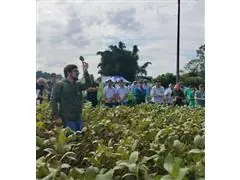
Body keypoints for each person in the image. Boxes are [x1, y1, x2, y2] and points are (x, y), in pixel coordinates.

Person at [51, 62, 92, 132]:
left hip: (78, 119)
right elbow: (54, 101)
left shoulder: (78, 85)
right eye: (75, 71)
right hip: (67, 120)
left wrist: (85, 71)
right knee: (71, 141)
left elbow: (88, 84)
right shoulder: (60, 85)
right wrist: (57, 117)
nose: (78, 73)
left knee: (80, 140)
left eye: (78, 71)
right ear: (68, 73)